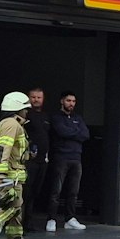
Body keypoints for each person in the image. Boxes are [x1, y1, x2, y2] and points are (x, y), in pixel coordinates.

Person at [0, 92, 33, 239]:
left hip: (14, 176)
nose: (26, 112)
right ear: (17, 108)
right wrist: (1, 174)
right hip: (8, 177)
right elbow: (2, 149)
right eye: (25, 108)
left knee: (16, 209)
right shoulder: (11, 124)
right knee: (11, 207)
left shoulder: (13, 124)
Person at [45, 90, 90, 231]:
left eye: (73, 101)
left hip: (76, 158)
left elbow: (86, 134)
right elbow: (62, 131)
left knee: (73, 191)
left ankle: (70, 218)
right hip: (61, 158)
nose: (71, 104)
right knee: (56, 190)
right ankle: (51, 219)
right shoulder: (56, 117)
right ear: (62, 101)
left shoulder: (78, 117)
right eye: (68, 100)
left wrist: (71, 132)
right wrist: (76, 132)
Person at [23, 88, 50, 232]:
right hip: (29, 160)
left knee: (35, 192)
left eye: (39, 97)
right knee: (26, 192)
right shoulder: (25, 115)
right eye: (33, 97)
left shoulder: (46, 116)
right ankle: (23, 222)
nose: (36, 100)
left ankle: (29, 220)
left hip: (42, 160)